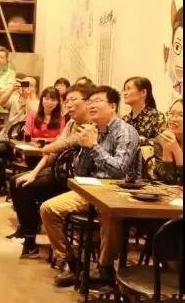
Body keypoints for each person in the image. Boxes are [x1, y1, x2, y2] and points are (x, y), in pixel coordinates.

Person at [40, 86, 141, 287]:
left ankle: (105, 268)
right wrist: (85, 147)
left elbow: (119, 170)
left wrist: (93, 146)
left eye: (98, 101)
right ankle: (72, 263)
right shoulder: (93, 130)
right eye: (90, 102)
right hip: (91, 190)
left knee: (110, 215)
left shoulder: (125, 132)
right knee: (48, 209)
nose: (92, 105)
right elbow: (80, 172)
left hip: (116, 193)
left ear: (113, 106)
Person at [11, 84, 94, 257]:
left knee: (25, 189)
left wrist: (49, 147)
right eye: (67, 100)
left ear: (87, 103)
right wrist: (33, 173)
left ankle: (30, 240)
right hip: (60, 172)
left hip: (74, 180)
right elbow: (53, 151)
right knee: (17, 181)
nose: (68, 105)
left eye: (73, 100)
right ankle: (28, 230)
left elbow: (63, 144)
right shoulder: (71, 122)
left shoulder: (91, 126)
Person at [0, 77, 38, 197]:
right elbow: (2, 102)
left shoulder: (36, 102)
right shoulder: (15, 98)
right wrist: (11, 89)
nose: (25, 87)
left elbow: (33, 113)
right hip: (3, 136)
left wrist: (28, 97)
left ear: (35, 88)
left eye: (29, 85)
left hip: (16, 143)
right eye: (23, 84)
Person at [122, 76, 165, 145]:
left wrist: (138, 140)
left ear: (143, 92)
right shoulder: (125, 119)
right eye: (124, 90)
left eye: (128, 89)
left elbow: (161, 143)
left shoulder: (157, 116)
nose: (124, 93)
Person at [153, 99, 183, 185]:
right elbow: (168, 180)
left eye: (181, 115)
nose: (173, 118)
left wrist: (176, 150)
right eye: (171, 113)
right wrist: (166, 149)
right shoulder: (161, 140)